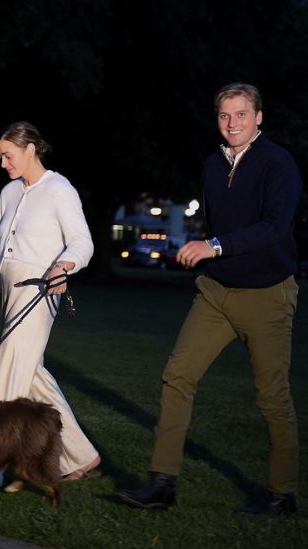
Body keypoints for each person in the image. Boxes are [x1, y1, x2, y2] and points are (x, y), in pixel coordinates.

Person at [117, 83, 302, 515]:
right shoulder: (212, 165)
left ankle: (282, 494)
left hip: (267, 295)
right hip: (216, 292)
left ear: (258, 117)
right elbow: (219, 225)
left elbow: (275, 227)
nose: (232, 123)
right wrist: (203, 248)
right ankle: (162, 483)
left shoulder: (279, 164)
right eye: (224, 115)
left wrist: (214, 245)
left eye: (241, 114)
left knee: (272, 396)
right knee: (177, 375)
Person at [0, 121, 101, 483]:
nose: (3, 163)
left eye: (7, 156)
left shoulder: (60, 189)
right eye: (0, 157)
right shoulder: (9, 193)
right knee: (32, 377)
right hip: (8, 290)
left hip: (40, 290)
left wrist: (64, 265)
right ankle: (79, 457)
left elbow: (83, 242)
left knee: (9, 364)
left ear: (30, 150)